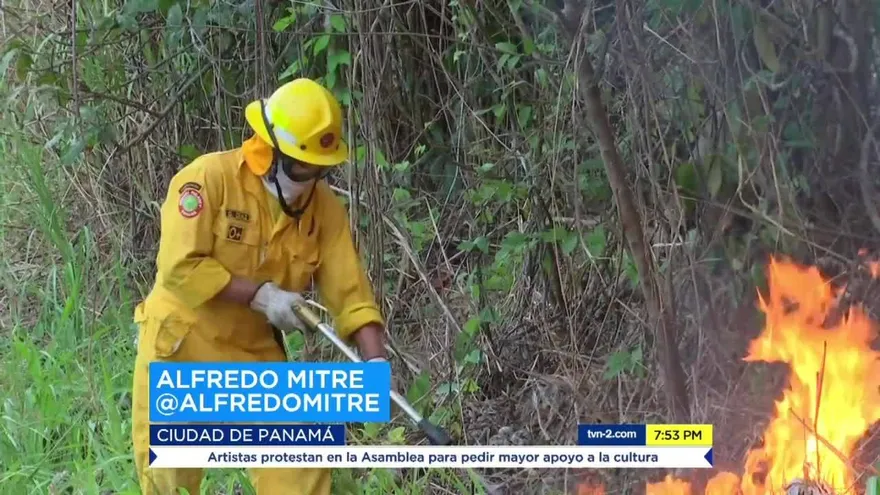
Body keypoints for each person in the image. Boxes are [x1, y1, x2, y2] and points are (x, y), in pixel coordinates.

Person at [130, 78, 388, 494]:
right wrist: (261, 295)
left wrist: (375, 360)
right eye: (302, 167)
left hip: (252, 354)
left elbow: (351, 292)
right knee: (170, 481)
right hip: (181, 345)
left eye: (321, 169)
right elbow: (179, 266)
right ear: (269, 152)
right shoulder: (206, 180)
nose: (311, 179)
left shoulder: (325, 211)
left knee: (300, 468)